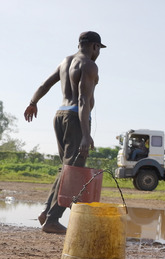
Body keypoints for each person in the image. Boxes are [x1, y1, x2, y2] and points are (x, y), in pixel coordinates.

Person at [23, 31, 106, 234]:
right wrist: (85, 134)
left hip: (60, 115)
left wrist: (33, 102)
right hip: (75, 118)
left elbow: (45, 85)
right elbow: (83, 100)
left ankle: (46, 212)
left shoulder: (65, 61)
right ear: (95, 46)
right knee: (74, 172)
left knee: (66, 169)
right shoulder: (88, 65)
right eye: (99, 49)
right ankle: (52, 220)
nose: (98, 53)